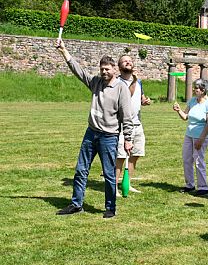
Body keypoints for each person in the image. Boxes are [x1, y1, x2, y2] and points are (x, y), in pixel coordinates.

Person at [56, 40, 133, 219]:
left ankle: (110, 208)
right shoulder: (96, 82)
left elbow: (127, 116)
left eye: (107, 69)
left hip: (109, 136)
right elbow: (79, 71)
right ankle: (76, 204)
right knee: (81, 170)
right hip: (91, 133)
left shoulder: (121, 88)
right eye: (102, 69)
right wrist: (64, 51)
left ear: (114, 69)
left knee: (108, 174)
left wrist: (128, 138)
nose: (104, 72)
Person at [115, 55, 151, 196]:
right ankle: (114, 186)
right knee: (120, 156)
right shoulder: (116, 82)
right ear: (119, 66)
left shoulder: (138, 82)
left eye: (130, 60)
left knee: (136, 154)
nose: (128, 62)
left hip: (138, 123)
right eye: (125, 61)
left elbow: (140, 98)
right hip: (122, 125)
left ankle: (127, 183)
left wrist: (145, 101)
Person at [173, 79, 208, 196]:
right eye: (194, 87)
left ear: (203, 90)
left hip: (201, 136)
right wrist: (178, 110)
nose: (194, 89)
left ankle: (203, 187)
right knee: (187, 160)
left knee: (198, 161)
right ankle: (189, 185)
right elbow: (185, 117)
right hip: (189, 135)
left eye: (197, 88)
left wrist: (201, 139)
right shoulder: (192, 101)